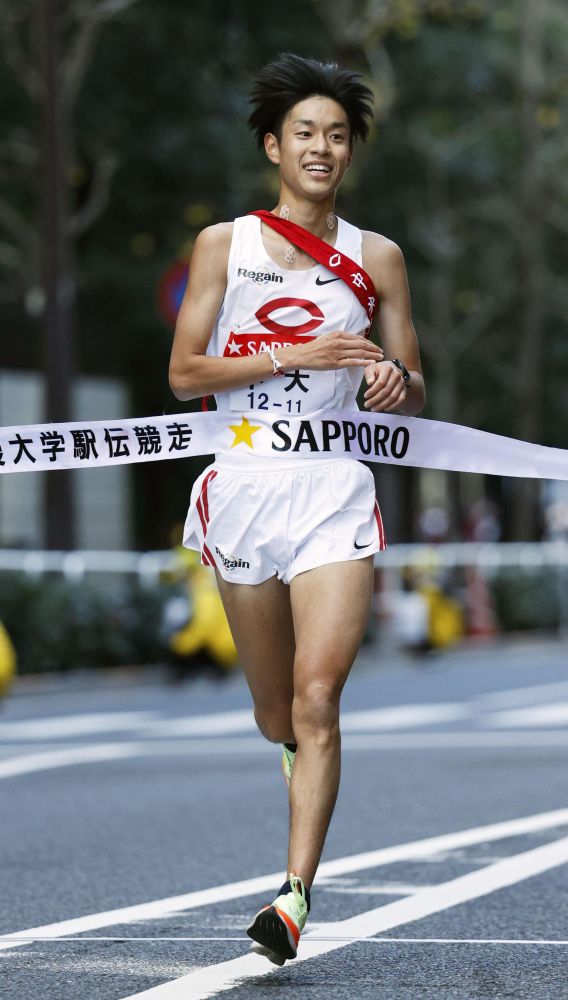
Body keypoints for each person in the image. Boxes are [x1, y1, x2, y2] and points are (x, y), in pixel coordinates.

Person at [169, 52, 425, 965]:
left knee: (320, 699)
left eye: (339, 135)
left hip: (333, 493)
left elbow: (410, 375)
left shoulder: (378, 258)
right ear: (275, 146)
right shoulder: (221, 247)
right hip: (240, 491)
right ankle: (288, 748)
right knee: (277, 710)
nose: (323, 148)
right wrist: (292, 358)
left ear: (350, 153)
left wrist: (394, 381)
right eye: (306, 133)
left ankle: (293, 896)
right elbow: (184, 373)